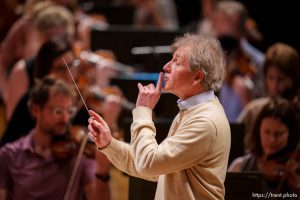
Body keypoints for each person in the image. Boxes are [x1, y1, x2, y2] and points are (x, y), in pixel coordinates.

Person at [88, 33, 231, 199]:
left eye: (176, 62)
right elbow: (156, 167)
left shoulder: (205, 121)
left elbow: (149, 164)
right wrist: (109, 144)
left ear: (197, 76)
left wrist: (143, 110)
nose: (166, 66)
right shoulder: (192, 110)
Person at [0, 76, 110, 200]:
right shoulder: (9, 155)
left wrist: (102, 172)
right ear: (36, 110)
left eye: (69, 111)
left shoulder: (79, 153)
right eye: (58, 111)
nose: (65, 119)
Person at [228, 98, 300, 194]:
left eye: (278, 134)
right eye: (267, 132)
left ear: (290, 134)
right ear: (259, 130)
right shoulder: (240, 166)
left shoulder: (295, 169)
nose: (272, 139)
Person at [237, 43, 300, 151]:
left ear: (293, 79)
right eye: (271, 78)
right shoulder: (254, 110)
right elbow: (234, 142)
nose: (274, 86)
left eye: (281, 79)